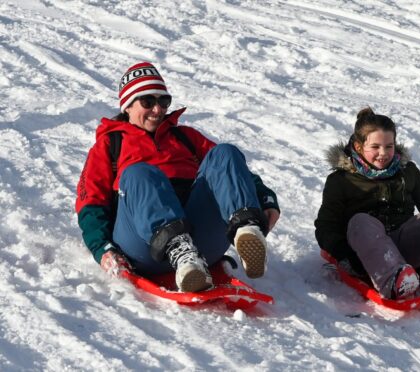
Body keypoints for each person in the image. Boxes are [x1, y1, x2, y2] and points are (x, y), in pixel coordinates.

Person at [76, 62, 280, 293]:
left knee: (224, 152)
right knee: (138, 172)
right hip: (142, 247)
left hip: (202, 243)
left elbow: (231, 171)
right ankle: (179, 251)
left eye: (163, 101)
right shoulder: (110, 145)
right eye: (148, 102)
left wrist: (265, 199)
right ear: (128, 106)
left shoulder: (186, 138)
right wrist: (102, 249)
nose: (158, 110)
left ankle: (246, 229)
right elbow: (90, 204)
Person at [314, 107, 420, 300]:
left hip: (404, 243)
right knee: (360, 221)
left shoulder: (406, 171)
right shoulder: (341, 180)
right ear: (359, 147)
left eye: (389, 146)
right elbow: (326, 225)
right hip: (365, 254)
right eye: (375, 147)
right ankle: (394, 280)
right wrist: (344, 255)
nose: (383, 153)